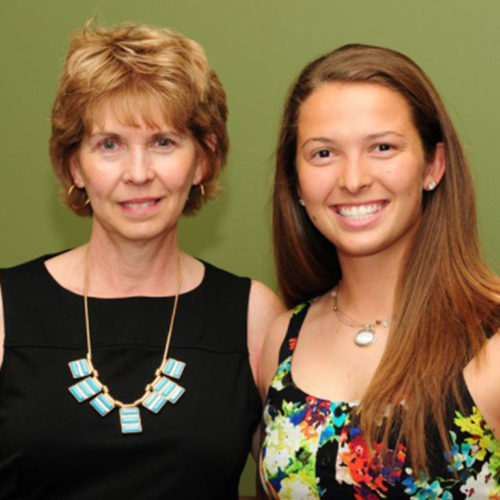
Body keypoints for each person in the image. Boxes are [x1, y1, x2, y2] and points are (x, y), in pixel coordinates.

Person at [0, 20, 283, 499]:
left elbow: (290, 484)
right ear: (74, 165)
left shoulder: (254, 316)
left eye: (163, 142)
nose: (137, 173)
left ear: (204, 159)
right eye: (109, 145)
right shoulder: (6, 308)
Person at [258, 44, 500, 499]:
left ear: (434, 164)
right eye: (324, 153)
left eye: (382, 147)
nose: (353, 179)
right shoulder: (281, 338)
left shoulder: (491, 337)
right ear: (296, 181)